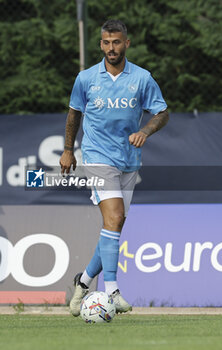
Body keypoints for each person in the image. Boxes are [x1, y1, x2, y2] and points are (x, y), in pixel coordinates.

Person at [60, 19, 169, 316]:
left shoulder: (143, 78)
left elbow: (162, 112)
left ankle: (82, 282)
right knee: (115, 216)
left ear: (126, 43)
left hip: (129, 160)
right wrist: (68, 150)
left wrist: (146, 130)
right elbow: (74, 115)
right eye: (106, 43)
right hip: (97, 158)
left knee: (114, 225)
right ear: (100, 45)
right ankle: (112, 291)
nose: (111, 48)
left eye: (116, 42)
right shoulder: (86, 78)